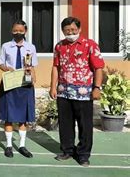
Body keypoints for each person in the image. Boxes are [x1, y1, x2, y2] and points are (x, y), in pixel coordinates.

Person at [50, 17, 104, 167]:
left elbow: (98, 67)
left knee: (85, 125)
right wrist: (53, 86)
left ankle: (83, 155)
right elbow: (56, 67)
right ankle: (67, 150)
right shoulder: (59, 46)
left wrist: (97, 88)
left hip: (84, 92)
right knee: (65, 124)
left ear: (79, 29)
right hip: (63, 92)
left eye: (73, 30)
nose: (70, 33)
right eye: (67, 31)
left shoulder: (90, 45)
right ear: (63, 31)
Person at [0, 20, 37, 158]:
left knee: (23, 117)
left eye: (20, 31)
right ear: (11, 31)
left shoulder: (30, 47)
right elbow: (1, 63)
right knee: (8, 116)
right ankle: (8, 145)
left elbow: (32, 66)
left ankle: (22, 145)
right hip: (10, 83)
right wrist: (7, 68)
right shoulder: (6, 46)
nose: (18, 33)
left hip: (24, 84)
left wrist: (33, 79)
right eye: (15, 30)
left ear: (25, 31)